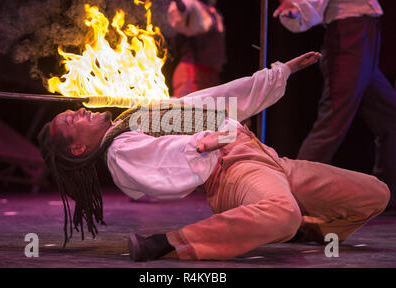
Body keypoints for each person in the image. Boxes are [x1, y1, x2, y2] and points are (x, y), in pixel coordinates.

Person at [38, 51, 390, 261]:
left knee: (377, 194)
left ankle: (304, 230)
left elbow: (210, 101)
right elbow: (164, 162)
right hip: (233, 171)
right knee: (282, 213)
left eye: (73, 112)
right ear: (79, 148)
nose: (78, 112)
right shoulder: (120, 152)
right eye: (71, 120)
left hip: (268, 158)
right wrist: (200, 145)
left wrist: (280, 73)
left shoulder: (134, 117)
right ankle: (169, 244)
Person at [272, 0, 396, 209]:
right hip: (348, 43)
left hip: (367, 42)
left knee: (391, 117)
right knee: (333, 122)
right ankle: (293, 197)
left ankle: (388, 196)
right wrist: (296, 8)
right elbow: (316, 0)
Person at [162, 0, 226, 97]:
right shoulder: (189, 3)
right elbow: (184, 11)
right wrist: (180, 6)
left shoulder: (209, 7)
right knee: (186, 116)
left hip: (211, 77)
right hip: (191, 76)